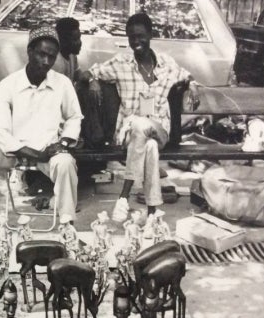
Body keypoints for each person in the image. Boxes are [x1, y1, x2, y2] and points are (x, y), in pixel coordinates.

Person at [81, 12, 199, 223]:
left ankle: (124, 196)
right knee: (148, 144)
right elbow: (88, 73)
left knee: (144, 128)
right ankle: (153, 211)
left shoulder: (166, 63)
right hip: (129, 135)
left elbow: (187, 74)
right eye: (131, 37)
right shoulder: (121, 63)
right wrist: (93, 82)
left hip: (161, 131)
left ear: (151, 34)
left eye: (140, 36)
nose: (136, 41)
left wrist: (193, 87)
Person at [0, 26, 83, 223]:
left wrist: (65, 143)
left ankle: (68, 226)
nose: (46, 62)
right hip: (12, 152)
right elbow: (1, 133)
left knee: (66, 163)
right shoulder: (8, 85)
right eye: (42, 54)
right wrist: (32, 153)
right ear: (29, 51)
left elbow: (75, 117)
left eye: (52, 56)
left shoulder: (62, 83)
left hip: (48, 151)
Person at [55, 17, 82, 83]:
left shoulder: (71, 55)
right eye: (75, 39)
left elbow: (79, 75)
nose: (80, 42)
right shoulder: (57, 64)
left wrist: (92, 80)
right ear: (64, 41)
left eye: (79, 38)